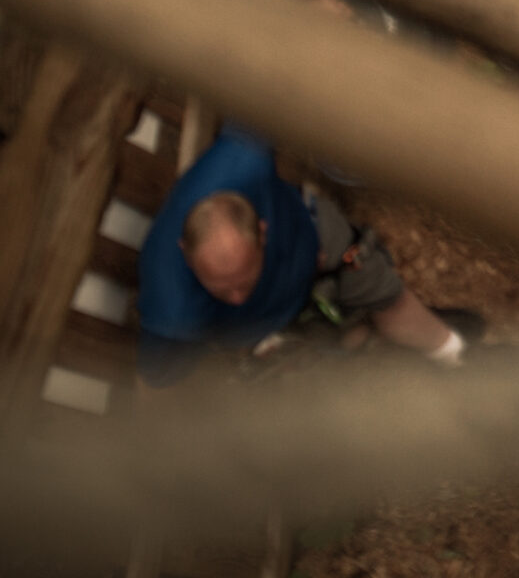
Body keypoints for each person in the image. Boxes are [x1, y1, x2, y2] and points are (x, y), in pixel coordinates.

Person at [135, 124, 470, 388]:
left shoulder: (245, 156)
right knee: (344, 345)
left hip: (315, 242)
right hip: (270, 323)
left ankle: (456, 354)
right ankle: (346, 340)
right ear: (184, 251)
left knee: (385, 294)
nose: (236, 298)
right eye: (221, 290)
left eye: (243, 280)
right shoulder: (172, 307)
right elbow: (155, 378)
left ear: (264, 232)